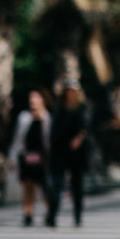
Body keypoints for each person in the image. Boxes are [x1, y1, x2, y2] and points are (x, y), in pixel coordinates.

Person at [45, 83, 91, 227]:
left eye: (72, 91)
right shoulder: (59, 109)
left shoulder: (82, 108)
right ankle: (52, 215)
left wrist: (78, 139)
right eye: (68, 91)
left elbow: (85, 127)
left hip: (76, 152)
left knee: (77, 185)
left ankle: (77, 216)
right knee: (57, 184)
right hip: (60, 150)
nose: (70, 93)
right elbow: (54, 129)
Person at [9, 89, 52, 226]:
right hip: (27, 156)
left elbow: (49, 139)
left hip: (42, 157)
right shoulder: (24, 117)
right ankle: (28, 213)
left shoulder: (47, 117)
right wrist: (13, 156)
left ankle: (50, 212)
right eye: (31, 100)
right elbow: (18, 138)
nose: (33, 103)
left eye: (36, 100)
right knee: (28, 186)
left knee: (44, 187)